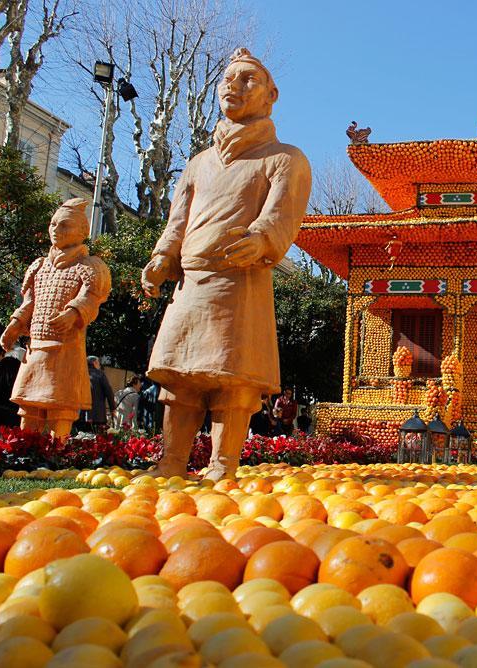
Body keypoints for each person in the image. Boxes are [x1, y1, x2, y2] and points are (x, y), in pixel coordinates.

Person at [140, 47, 311, 481]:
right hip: (192, 282)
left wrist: (262, 239)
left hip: (240, 279)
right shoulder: (198, 162)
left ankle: (222, 463)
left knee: (232, 381)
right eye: (227, 78)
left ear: (272, 95)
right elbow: (177, 218)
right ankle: (172, 460)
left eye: (247, 79)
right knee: (179, 380)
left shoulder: (284, 157)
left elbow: (282, 213)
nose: (233, 85)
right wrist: (163, 256)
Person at [0, 199, 111, 440]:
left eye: (64, 226)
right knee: (29, 406)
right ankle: (26, 452)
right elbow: (29, 302)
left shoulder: (90, 266)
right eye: (53, 224)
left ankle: (53, 454)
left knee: (59, 408)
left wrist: (74, 312)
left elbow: (92, 297)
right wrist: (15, 324)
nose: (55, 230)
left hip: (65, 350)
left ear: (82, 232)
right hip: (35, 348)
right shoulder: (39, 266)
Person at [86, 356, 116, 432]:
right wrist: (113, 408)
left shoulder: (81, 373)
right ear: (94, 363)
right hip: (98, 415)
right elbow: (108, 391)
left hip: (81, 416)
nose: (99, 365)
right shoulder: (100, 374)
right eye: (98, 362)